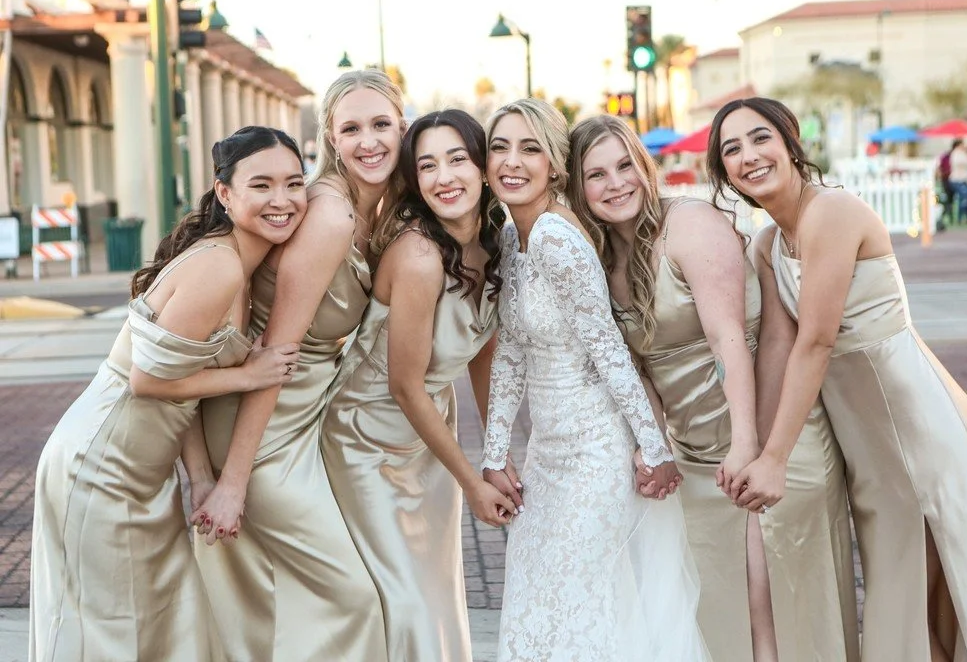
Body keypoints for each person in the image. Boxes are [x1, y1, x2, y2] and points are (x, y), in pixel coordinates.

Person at [711, 97, 967, 661]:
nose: (748, 156)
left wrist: (775, 459)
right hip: (869, 448)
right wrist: (758, 448)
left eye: (760, 137)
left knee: (916, 606)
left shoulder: (832, 213)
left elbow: (816, 341)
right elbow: (777, 344)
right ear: (723, 172)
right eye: (731, 149)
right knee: (904, 611)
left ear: (791, 140)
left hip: (921, 429)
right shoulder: (771, 245)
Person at [567, 114, 859, 661]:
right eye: (596, 175)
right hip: (696, 458)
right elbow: (639, 371)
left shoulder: (689, 223)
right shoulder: (600, 258)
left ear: (644, 166)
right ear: (578, 190)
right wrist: (651, 445)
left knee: (769, 603)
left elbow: (729, 340)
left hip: (764, 435)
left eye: (625, 165)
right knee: (718, 610)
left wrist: (748, 445)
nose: (617, 183)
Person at [29, 126, 305, 661]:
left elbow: (185, 391)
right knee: (99, 632)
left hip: (142, 473)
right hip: (99, 465)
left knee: (156, 623)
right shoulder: (218, 266)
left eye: (294, 184)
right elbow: (149, 381)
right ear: (225, 194)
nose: (282, 200)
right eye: (262, 185)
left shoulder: (238, 267)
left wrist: (200, 479)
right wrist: (250, 376)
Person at [482, 99, 708, 661]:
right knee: (536, 597)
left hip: (595, 454)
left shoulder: (559, 239)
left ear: (555, 166)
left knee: (578, 603)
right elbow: (511, 351)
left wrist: (654, 449)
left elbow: (609, 352)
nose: (513, 161)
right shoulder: (513, 239)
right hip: (547, 456)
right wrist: (494, 454)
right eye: (500, 147)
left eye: (530, 148)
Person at [191, 70, 404, 660]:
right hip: (260, 428)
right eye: (352, 128)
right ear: (332, 138)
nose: (369, 141)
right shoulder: (330, 216)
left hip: (299, 423)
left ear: (401, 128)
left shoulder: (371, 213)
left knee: (292, 595)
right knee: (351, 596)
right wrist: (232, 483)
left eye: (381, 125)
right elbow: (274, 355)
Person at [322, 108, 511, 661]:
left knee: (435, 588)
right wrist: (473, 482)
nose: (444, 177)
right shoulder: (419, 255)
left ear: (482, 166)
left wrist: (497, 451)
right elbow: (405, 385)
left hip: (427, 430)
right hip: (366, 435)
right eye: (427, 165)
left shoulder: (495, 242)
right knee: (401, 597)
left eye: (457, 159)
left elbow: (482, 350)